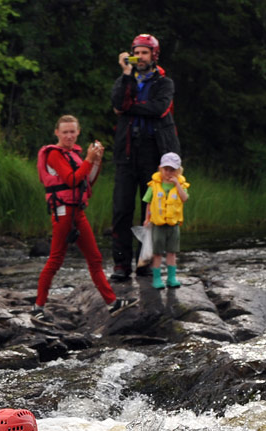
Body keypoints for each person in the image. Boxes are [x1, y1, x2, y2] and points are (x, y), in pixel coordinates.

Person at [33, 115, 136, 320]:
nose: (69, 136)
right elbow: (72, 180)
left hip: (77, 212)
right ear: (57, 133)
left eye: (72, 132)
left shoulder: (75, 154)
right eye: (65, 132)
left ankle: (112, 303)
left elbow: (87, 180)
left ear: (78, 131)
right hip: (63, 212)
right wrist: (89, 159)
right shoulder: (54, 154)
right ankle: (37, 308)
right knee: (55, 260)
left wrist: (95, 161)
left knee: (95, 258)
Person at [109, 33, 181, 282]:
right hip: (127, 153)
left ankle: (145, 262)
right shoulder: (125, 79)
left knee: (151, 210)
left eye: (144, 53)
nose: (139, 57)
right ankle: (120, 264)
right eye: (136, 53)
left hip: (155, 154)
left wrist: (128, 109)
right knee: (121, 209)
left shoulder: (164, 83)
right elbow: (116, 101)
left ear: (154, 56)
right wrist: (126, 74)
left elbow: (158, 109)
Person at [142, 152, 190, 289]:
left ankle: (171, 278)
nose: (169, 172)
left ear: (178, 171)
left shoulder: (181, 185)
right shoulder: (154, 185)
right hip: (158, 224)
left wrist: (177, 185)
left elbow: (184, 198)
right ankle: (157, 279)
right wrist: (147, 219)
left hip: (173, 224)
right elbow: (148, 203)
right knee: (157, 252)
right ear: (160, 169)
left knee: (172, 252)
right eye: (166, 169)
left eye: (172, 170)